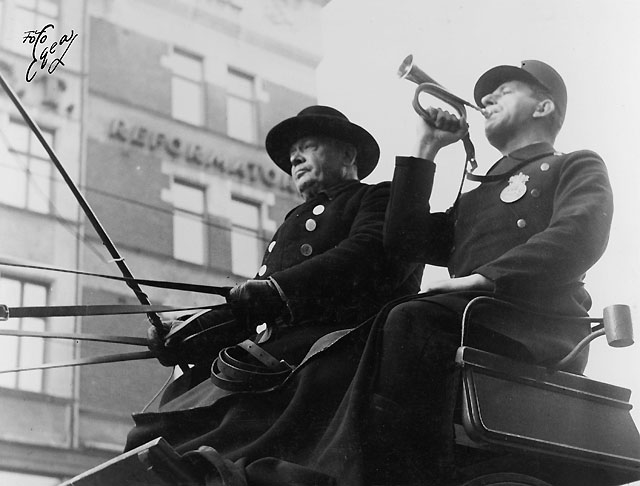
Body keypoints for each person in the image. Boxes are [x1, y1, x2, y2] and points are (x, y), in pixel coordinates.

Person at [125, 105, 423, 483]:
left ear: (348, 154)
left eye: (308, 147)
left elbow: (365, 255)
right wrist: (186, 334)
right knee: (176, 410)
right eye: (293, 152)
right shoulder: (292, 220)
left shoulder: (378, 198)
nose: (295, 158)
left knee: (240, 414)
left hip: (339, 345)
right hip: (279, 348)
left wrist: (277, 289)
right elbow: (255, 304)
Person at [372, 60, 614, 483]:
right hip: (477, 316)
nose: (485, 99)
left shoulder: (574, 164)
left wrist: (486, 277)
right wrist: (426, 147)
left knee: (410, 319)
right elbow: (404, 241)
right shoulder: (476, 195)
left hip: (536, 324)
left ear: (543, 107)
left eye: (504, 91)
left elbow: (579, 235)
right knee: (372, 330)